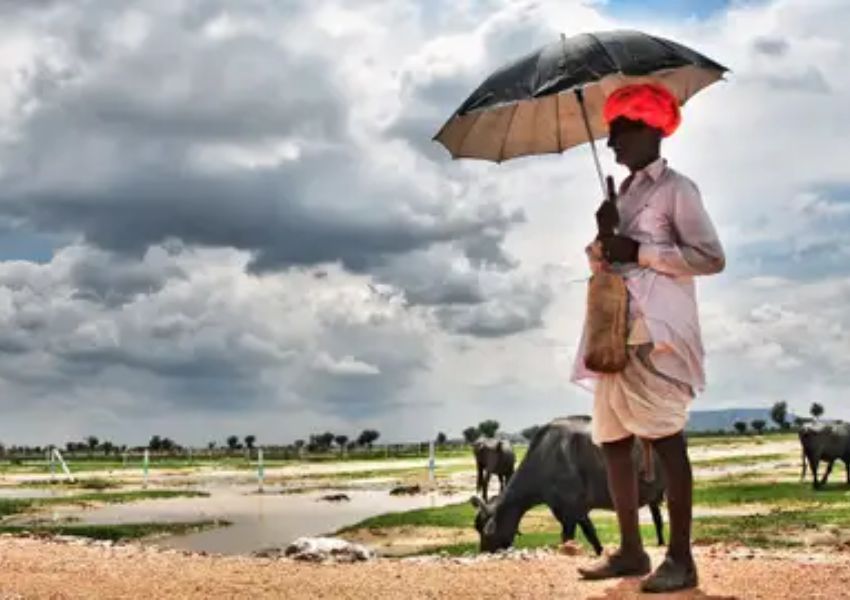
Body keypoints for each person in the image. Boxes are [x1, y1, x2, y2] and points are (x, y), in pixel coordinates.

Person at [571, 83, 725, 593]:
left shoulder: (678, 189)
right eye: (610, 134)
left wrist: (638, 252)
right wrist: (603, 239)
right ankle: (632, 552)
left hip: (656, 334)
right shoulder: (625, 193)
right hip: (616, 331)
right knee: (613, 441)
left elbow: (709, 258)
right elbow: (610, 261)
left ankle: (681, 559)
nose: (611, 144)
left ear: (651, 129)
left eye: (620, 131)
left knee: (665, 441)